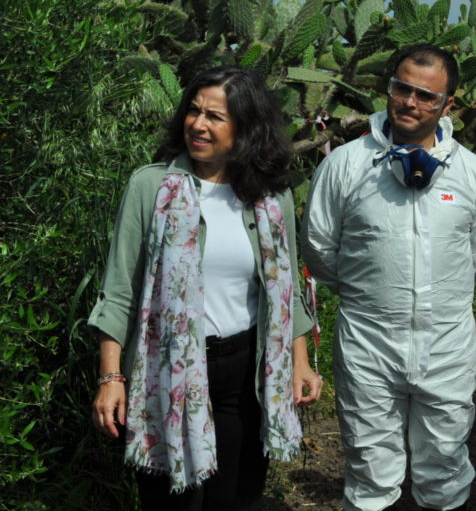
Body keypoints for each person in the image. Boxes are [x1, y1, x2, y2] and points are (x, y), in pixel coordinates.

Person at [89, 65, 322, 510]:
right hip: (167, 373)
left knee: (235, 500)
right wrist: (111, 376)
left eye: (215, 116)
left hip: (245, 374)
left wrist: (300, 363)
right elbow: (119, 290)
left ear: (248, 128)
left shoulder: (272, 197)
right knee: (173, 503)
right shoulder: (151, 186)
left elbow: (287, 290)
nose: (198, 124)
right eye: (194, 111)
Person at [301, 44, 476, 511]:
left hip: (447, 346)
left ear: (448, 105)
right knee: (370, 474)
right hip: (368, 344)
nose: (410, 102)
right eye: (402, 88)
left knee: (445, 471)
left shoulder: (472, 173)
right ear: (388, 89)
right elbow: (320, 249)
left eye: (426, 96)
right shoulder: (345, 165)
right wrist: (372, 297)